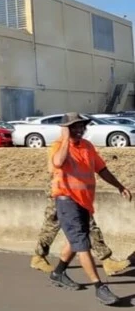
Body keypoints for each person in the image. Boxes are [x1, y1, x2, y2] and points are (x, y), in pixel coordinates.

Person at [47, 113, 132, 306]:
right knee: (82, 243)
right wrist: (66, 139)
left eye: (81, 127)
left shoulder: (87, 146)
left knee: (75, 240)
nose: (79, 130)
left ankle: (57, 273)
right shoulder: (58, 146)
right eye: (74, 127)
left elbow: (101, 169)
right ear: (66, 129)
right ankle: (99, 287)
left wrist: (119, 186)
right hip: (66, 200)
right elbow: (58, 163)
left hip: (84, 202)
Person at [30, 176, 131, 276]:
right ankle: (106, 260)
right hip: (62, 188)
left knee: (56, 222)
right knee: (77, 222)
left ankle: (39, 256)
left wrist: (119, 186)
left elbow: (100, 168)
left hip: (75, 188)